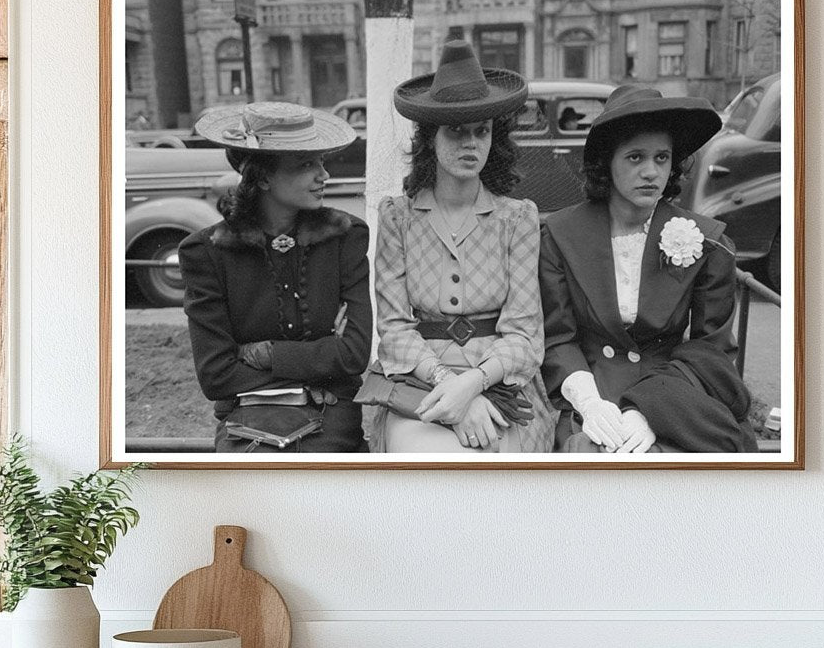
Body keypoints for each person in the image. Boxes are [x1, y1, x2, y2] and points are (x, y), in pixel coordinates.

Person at [538, 84, 757, 453]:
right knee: (587, 456)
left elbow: (711, 351)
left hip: (671, 395)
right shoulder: (560, 235)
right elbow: (558, 338)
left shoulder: (706, 241)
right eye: (635, 158)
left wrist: (648, 412)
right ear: (608, 161)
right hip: (590, 393)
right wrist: (590, 404)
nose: (651, 172)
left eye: (661, 158)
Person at [370, 40, 556, 453]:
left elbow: (525, 332)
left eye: (481, 131)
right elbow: (394, 328)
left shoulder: (517, 218)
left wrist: (473, 384)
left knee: (495, 463)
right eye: (456, 132)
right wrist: (448, 386)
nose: (470, 143)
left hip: (501, 380)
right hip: (420, 379)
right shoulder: (398, 217)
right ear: (430, 139)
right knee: (427, 460)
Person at [178, 101, 372, 452]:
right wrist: (320, 355)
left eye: (322, 161)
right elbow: (216, 375)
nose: (323, 175)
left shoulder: (345, 236)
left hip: (331, 411)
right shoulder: (208, 252)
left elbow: (354, 355)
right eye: (306, 164)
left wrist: (266, 353)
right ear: (263, 177)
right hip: (247, 420)